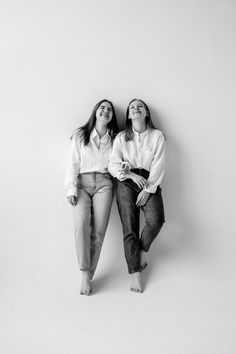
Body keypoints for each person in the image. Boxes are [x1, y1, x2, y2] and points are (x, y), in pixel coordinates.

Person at [108, 99, 165, 293]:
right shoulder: (122, 137)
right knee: (129, 227)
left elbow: (159, 165)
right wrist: (131, 175)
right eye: (132, 108)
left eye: (140, 106)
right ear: (129, 116)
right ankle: (135, 274)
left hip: (150, 181)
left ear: (146, 112)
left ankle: (142, 251)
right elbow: (113, 165)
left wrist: (147, 189)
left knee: (156, 220)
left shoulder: (157, 136)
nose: (136, 109)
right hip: (126, 181)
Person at [65, 99, 118, 295]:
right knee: (81, 225)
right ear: (95, 111)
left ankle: (87, 275)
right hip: (81, 183)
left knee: (99, 230)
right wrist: (71, 189)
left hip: (105, 184)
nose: (105, 111)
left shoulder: (115, 137)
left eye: (109, 110)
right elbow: (72, 164)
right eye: (102, 108)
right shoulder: (81, 134)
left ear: (112, 116)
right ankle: (85, 273)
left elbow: (117, 163)